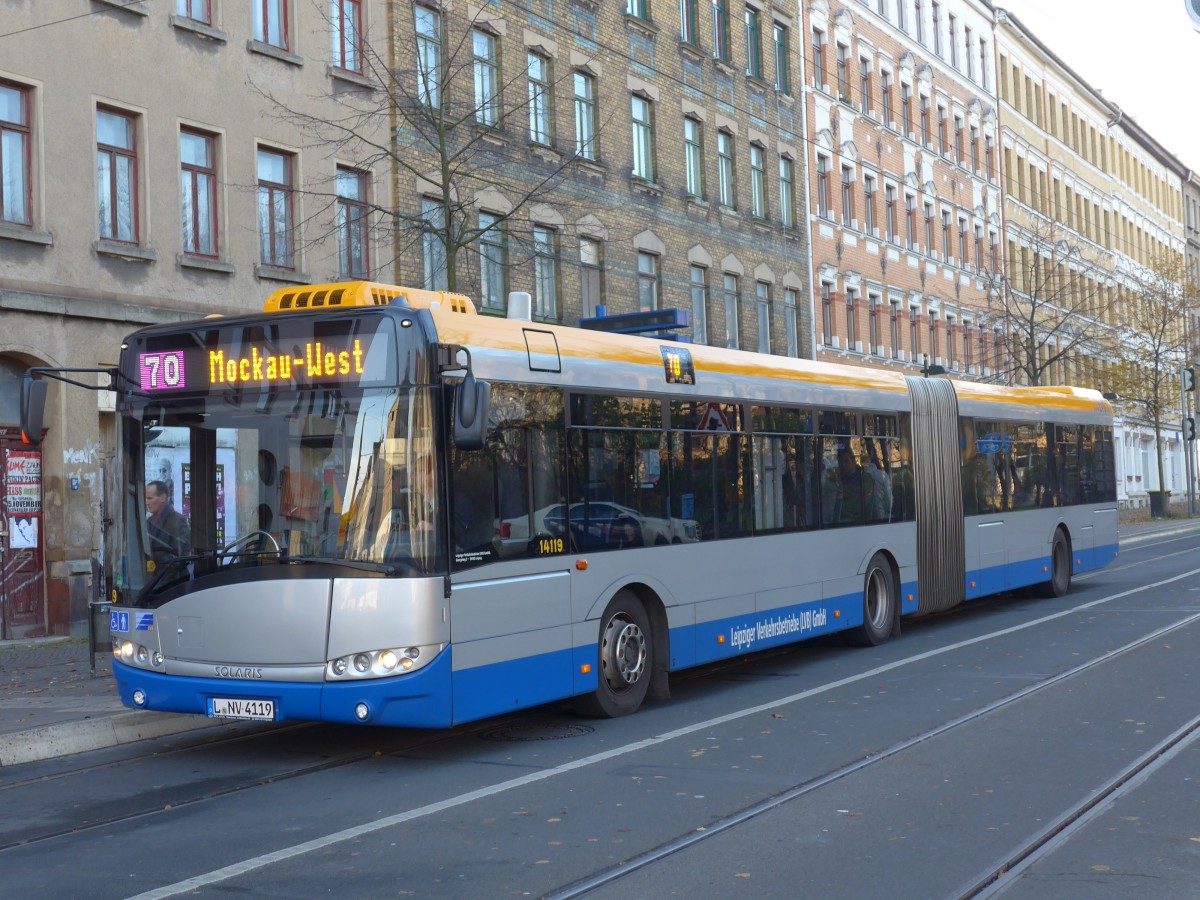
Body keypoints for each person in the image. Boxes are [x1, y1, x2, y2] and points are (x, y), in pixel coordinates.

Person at [145, 480, 190, 564]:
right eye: (146, 498)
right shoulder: (148, 521)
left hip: (169, 571)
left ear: (163, 498)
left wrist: (155, 560)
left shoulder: (178, 520)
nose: (146, 502)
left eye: (150, 498)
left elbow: (181, 556)